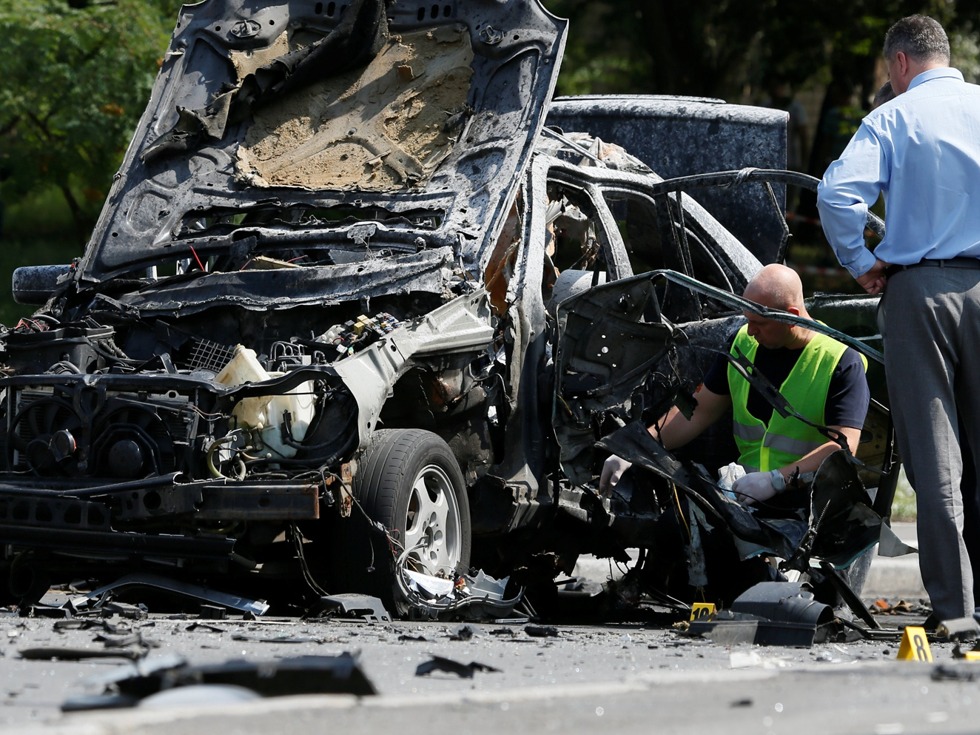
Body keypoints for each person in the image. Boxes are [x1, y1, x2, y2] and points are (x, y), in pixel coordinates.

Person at [816, 15, 980, 625]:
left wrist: (861, 263)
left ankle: (958, 610)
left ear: (901, 64)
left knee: (937, 460)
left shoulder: (893, 116)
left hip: (921, 294)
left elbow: (836, 195)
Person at [600, 263, 870, 509]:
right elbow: (697, 412)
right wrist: (636, 449)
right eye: (748, 320)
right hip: (744, 500)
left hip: (808, 505)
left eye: (759, 323)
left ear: (791, 316)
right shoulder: (742, 344)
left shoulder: (841, 362)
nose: (751, 331)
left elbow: (843, 449)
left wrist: (777, 481)